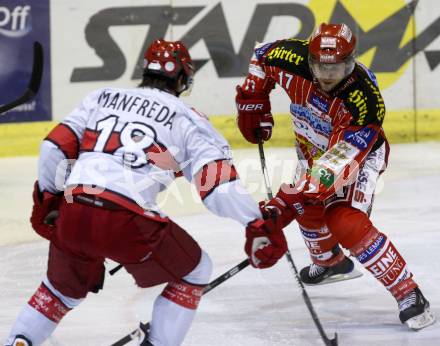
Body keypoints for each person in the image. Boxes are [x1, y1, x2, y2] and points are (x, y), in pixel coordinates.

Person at [5, 39, 290, 346]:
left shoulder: (102, 97)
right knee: (196, 270)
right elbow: (217, 186)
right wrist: (255, 223)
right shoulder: (189, 119)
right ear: (183, 80)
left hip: (74, 207)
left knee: (59, 291)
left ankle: (17, 342)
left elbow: (54, 148)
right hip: (126, 218)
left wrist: (49, 199)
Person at [235, 23, 436, 330]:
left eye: (338, 67)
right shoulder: (291, 56)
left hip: (357, 156)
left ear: (350, 62)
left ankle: (408, 292)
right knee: (309, 213)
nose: (328, 75)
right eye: (321, 67)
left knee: (343, 219)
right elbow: (261, 57)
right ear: (310, 60)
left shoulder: (364, 100)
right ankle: (331, 263)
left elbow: (328, 173)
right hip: (312, 146)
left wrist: (282, 204)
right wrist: (254, 100)